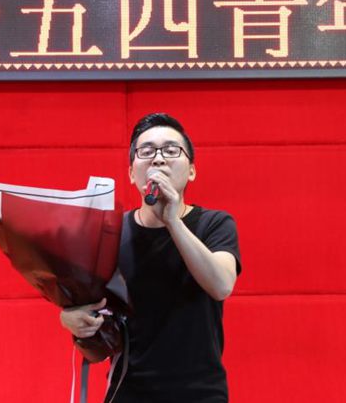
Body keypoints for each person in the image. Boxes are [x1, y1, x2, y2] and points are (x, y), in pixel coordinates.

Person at [60, 113, 242, 403]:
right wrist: (76, 322)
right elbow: (97, 343)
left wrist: (172, 221)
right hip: (128, 393)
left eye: (171, 150)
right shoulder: (110, 234)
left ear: (191, 171)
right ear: (132, 173)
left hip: (201, 394)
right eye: (146, 152)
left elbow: (221, 285)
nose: (158, 159)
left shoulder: (214, 224)